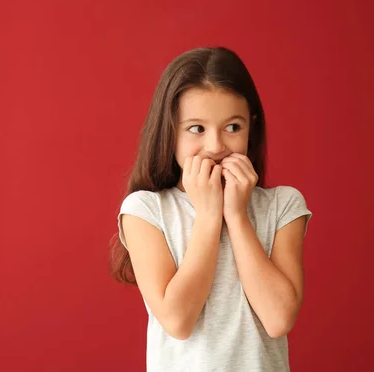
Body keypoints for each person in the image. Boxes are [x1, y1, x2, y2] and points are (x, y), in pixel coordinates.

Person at [110, 47, 312, 371]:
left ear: (251, 126)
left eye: (233, 127)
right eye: (196, 129)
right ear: (170, 131)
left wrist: (236, 216)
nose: (216, 146)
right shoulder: (145, 211)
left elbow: (278, 319)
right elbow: (177, 321)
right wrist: (207, 217)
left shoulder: (283, 206)